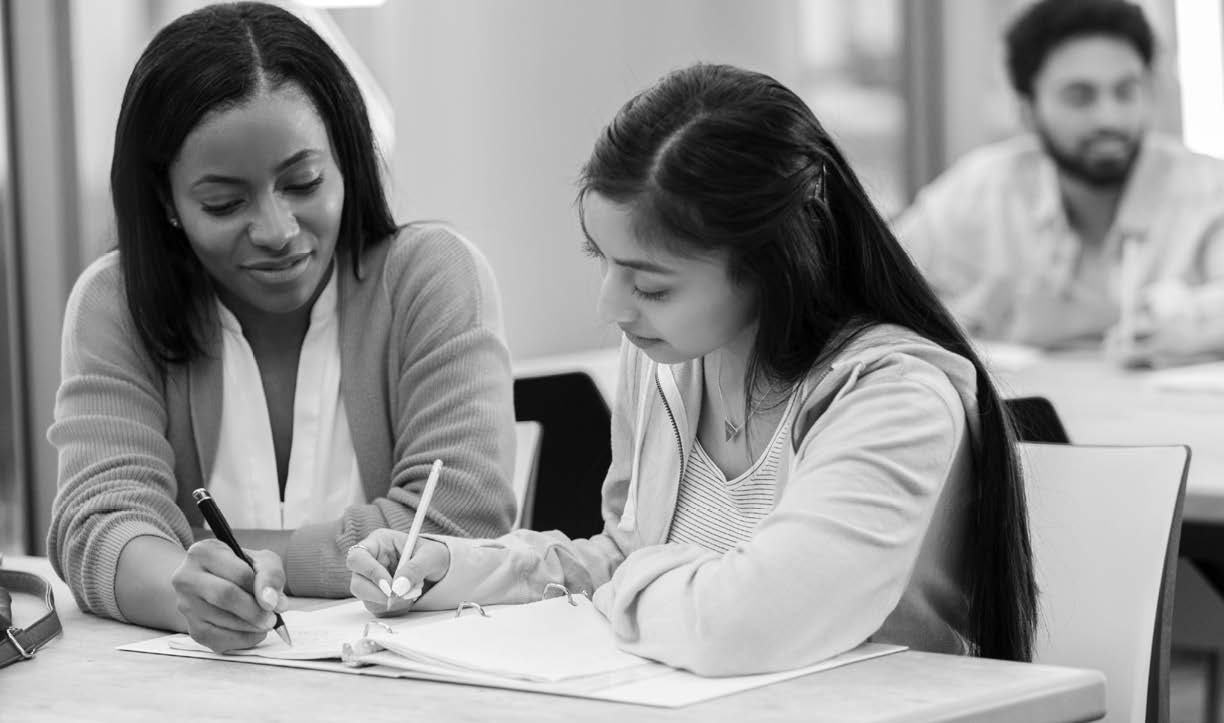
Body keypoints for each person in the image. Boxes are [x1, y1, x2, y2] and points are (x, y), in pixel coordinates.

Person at [347, 63, 1038, 675]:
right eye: (602, 259)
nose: (610, 306)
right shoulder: (667, 361)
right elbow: (633, 555)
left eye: (651, 285)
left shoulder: (895, 395)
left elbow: (742, 624)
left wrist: (639, 583)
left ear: (774, 262)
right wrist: (451, 568)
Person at [47, 2, 516, 654]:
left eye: (303, 181)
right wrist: (188, 594)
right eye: (224, 202)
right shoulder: (117, 302)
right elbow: (97, 525)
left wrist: (221, 550)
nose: (278, 231)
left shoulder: (430, 278)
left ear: (346, 160)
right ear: (167, 202)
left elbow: (460, 520)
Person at [895, 0, 1224, 366]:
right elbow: (865, 291)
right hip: (1026, 414)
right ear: (1027, 111)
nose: (1109, 118)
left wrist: (1191, 328)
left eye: (1126, 91)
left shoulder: (1208, 190)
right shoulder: (980, 194)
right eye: (1080, 97)